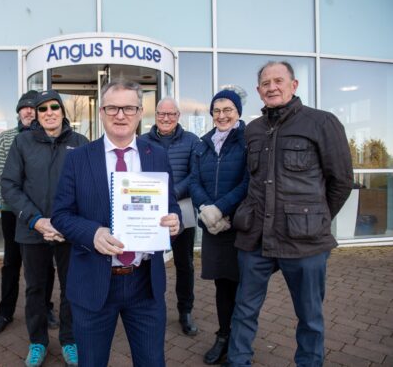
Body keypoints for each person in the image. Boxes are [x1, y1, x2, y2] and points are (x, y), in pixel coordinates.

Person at [224, 61, 353, 367]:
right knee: (243, 309)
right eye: (265, 83)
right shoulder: (253, 130)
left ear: (293, 85)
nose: (272, 87)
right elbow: (250, 179)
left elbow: (342, 181)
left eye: (278, 80)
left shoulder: (322, 123)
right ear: (259, 91)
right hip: (256, 237)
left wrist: (315, 217)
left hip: (304, 240)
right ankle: (237, 361)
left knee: (310, 316)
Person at [51, 80, 182, 367]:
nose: (120, 115)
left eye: (128, 108)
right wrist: (92, 233)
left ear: (139, 112)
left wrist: (175, 222)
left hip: (144, 282)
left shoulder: (156, 155)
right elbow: (60, 214)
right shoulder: (78, 158)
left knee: (151, 361)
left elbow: (171, 206)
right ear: (101, 111)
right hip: (94, 282)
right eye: (112, 108)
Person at [1, 90, 88, 367]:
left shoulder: (81, 143)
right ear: (36, 115)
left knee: (71, 288)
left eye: (54, 107)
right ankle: (37, 342)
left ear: (63, 111)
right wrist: (37, 220)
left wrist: (68, 222)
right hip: (32, 228)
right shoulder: (22, 142)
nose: (49, 112)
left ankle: (69, 340)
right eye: (42, 109)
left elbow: (89, 187)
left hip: (68, 230)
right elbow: (9, 185)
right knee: (36, 289)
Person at [0, 90, 59, 336]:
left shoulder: (52, 138)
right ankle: (5, 311)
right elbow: (2, 176)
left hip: (47, 214)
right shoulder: (8, 139)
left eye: (33, 107)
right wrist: (28, 208)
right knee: (12, 262)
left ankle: (46, 307)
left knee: (45, 264)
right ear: (19, 112)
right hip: (13, 211)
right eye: (24, 108)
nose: (28, 111)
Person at [189, 86, 249, 364]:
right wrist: (206, 209)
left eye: (228, 110)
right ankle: (223, 336)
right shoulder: (203, 143)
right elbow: (194, 181)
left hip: (238, 225)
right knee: (222, 286)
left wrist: (221, 209)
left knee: (243, 287)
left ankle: (239, 343)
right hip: (212, 227)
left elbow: (249, 182)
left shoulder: (248, 141)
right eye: (217, 111)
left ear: (238, 112)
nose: (222, 115)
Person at [140, 97, 200, 336]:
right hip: (149, 210)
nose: (166, 118)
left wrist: (169, 193)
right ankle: (150, 309)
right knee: (149, 262)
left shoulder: (192, 141)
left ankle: (185, 311)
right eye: (161, 114)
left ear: (178, 116)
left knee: (184, 263)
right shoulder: (141, 140)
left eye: (171, 114)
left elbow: (195, 175)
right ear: (155, 115)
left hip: (182, 209)